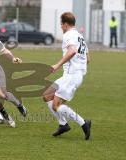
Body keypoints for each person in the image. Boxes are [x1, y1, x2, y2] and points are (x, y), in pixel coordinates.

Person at [43, 12, 91, 140]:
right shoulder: (80, 37)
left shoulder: (68, 35)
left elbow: (72, 51)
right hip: (74, 75)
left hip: (71, 76)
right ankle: (63, 124)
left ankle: (83, 123)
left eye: (61, 24)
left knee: (56, 105)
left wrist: (57, 65)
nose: (61, 27)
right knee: (47, 95)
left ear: (65, 24)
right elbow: (88, 59)